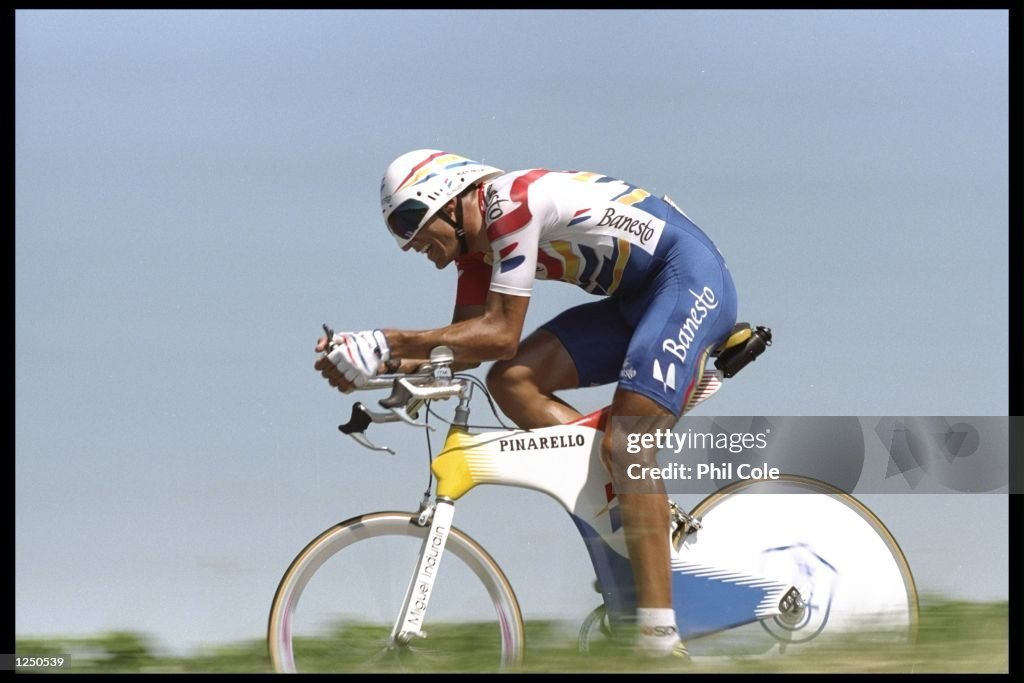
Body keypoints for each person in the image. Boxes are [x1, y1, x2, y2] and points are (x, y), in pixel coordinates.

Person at [315, 149, 738, 659]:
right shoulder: (476, 252)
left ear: (446, 199)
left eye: (410, 221)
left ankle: (659, 641)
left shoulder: (509, 203)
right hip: (636, 302)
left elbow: (500, 333)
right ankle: (631, 499)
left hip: (687, 281)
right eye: (397, 232)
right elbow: (463, 348)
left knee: (629, 445)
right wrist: (372, 365)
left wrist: (385, 340)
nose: (409, 244)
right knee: (512, 382)